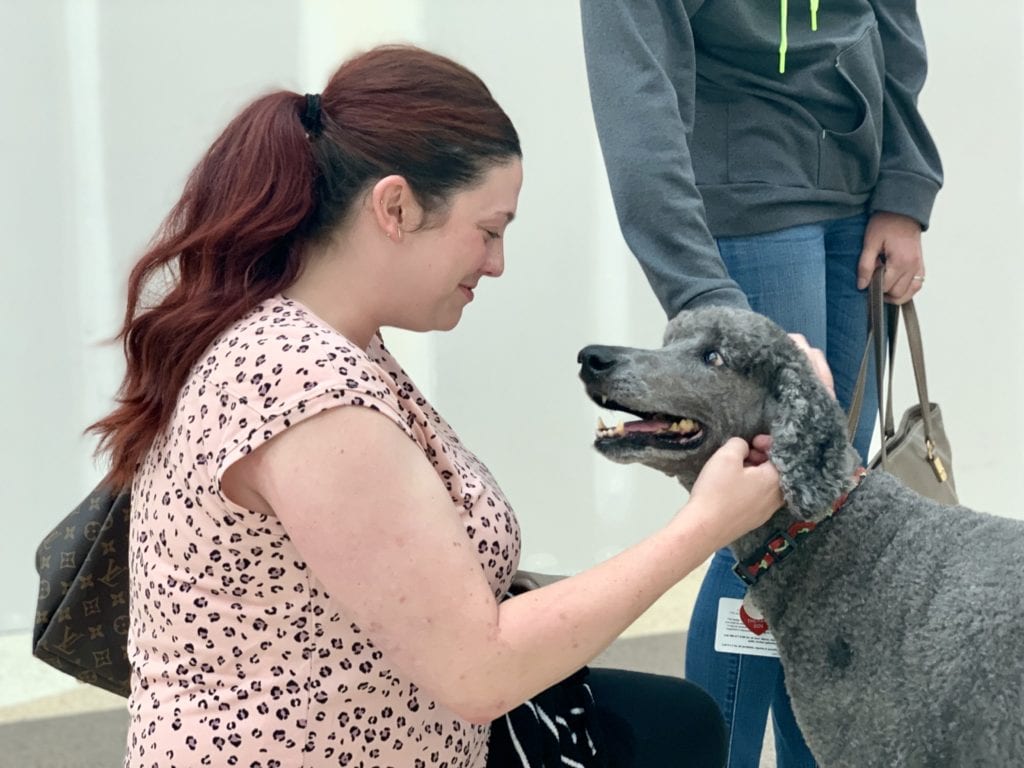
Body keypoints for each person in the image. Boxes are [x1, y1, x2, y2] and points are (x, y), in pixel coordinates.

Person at [89, 44, 798, 768]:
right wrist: (707, 523)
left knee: (671, 723)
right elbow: (477, 670)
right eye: (489, 230)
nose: (495, 263)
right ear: (394, 207)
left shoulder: (330, 343)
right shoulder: (303, 388)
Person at [579, 1, 943, 766]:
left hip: (856, 195)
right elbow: (636, 94)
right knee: (755, 516)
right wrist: (702, 300)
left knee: (827, 514)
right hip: (744, 208)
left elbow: (894, 22)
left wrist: (904, 187)